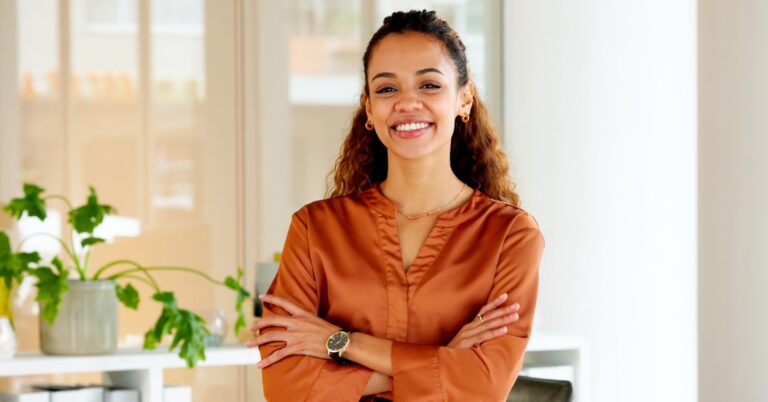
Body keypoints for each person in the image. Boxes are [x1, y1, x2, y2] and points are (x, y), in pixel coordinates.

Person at [247, 10, 544, 402]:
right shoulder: (314, 228)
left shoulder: (510, 235)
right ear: (369, 108)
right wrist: (445, 362)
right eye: (387, 89)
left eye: (429, 85)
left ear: (464, 99)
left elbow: (485, 385)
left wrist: (342, 344)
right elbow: (285, 387)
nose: (408, 102)